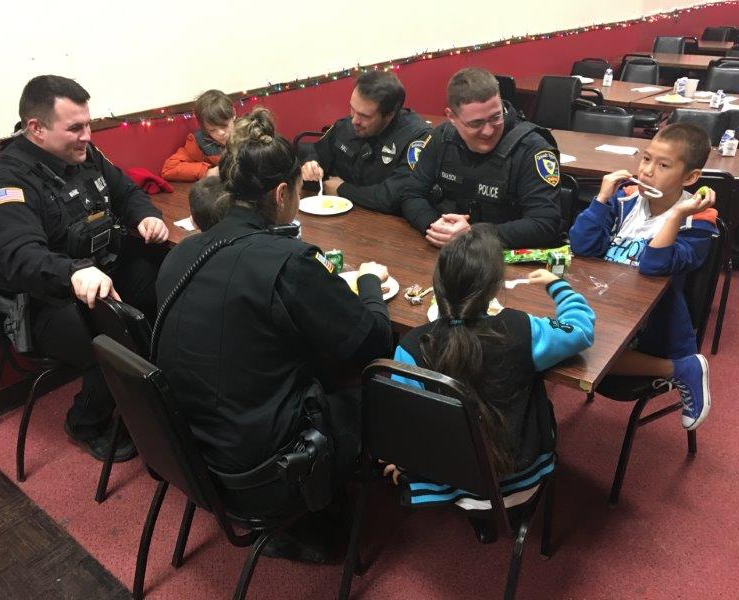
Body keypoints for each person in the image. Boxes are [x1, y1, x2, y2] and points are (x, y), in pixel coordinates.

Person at [155, 107, 392, 561]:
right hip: (264, 473)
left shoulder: (181, 253)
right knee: (380, 384)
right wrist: (368, 284)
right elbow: (373, 341)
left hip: (192, 454)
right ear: (283, 194)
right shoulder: (289, 263)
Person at [0, 75, 169, 461]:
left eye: (88, 124)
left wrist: (146, 216)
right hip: (41, 302)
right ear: (37, 129)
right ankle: (86, 421)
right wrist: (72, 273)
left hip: (98, 275)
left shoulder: (83, 155)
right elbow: (21, 256)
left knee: (171, 280)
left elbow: (127, 193)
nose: (87, 136)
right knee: (120, 328)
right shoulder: (4, 180)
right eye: (75, 127)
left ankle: (158, 398)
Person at [386, 225, 594, 520]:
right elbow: (581, 329)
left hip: (443, 481)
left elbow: (409, 424)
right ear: (496, 288)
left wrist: (406, 464)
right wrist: (556, 285)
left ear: (437, 286)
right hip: (520, 478)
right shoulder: (523, 330)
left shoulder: (410, 346)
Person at [569, 123, 717, 430]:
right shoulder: (625, 199)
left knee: (578, 348)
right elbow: (582, 246)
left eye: (663, 165)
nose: (648, 171)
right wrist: (602, 197)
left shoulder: (698, 221)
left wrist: (676, 215)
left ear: (690, 178)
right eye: (646, 158)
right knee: (539, 332)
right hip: (601, 301)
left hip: (651, 325)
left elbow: (653, 265)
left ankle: (680, 367)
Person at [397, 67, 562, 249]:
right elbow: (410, 193)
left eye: (496, 117)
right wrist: (435, 227)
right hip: (445, 253)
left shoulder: (532, 148)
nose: (488, 130)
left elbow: (544, 224)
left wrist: (472, 235)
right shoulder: (442, 138)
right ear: (451, 116)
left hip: (504, 261)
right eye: (476, 123)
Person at [300, 71, 432, 214]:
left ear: (389, 115)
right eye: (352, 109)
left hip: (386, 225)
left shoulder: (417, 138)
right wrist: (310, 163)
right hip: (338, 215)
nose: (354, 121)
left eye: (364, 116)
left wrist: (342, 189)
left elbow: (395, 196)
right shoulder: (346, 126)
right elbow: (317, 151)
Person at [161, 89, 235, 182]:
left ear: (233, 114)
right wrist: (209, 172)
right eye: (212, 130)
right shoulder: (199, 140)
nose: (221, 133)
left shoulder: (249, 130)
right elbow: (169, 169)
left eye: (224, 125)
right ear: (204, 127)